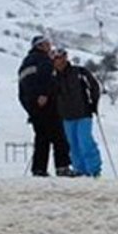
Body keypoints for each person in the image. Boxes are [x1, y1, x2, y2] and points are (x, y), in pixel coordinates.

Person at [17, 35, 73, 177]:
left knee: (42, 138)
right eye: (47, 44)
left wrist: (30, 108)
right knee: (59, 137)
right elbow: (48, 79)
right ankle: (62, 167)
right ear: (39, 46)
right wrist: (44, 95)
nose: (50, 47)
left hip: (33, 108)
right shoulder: (44, 60)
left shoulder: (24, 64)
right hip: (48, 105)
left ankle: (39, 169)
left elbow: (22, 91)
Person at [52, 48, 102, 178]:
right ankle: (79, 170)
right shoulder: (54, 78)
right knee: (73, 145)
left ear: (66, 58)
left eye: (61, 57)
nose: (59, 61)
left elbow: (94, 86)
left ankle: (94, 170)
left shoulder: (79, 72)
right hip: (66, 116)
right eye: (56, 59)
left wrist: (93, 104)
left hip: (83, 113)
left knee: (85, 141)